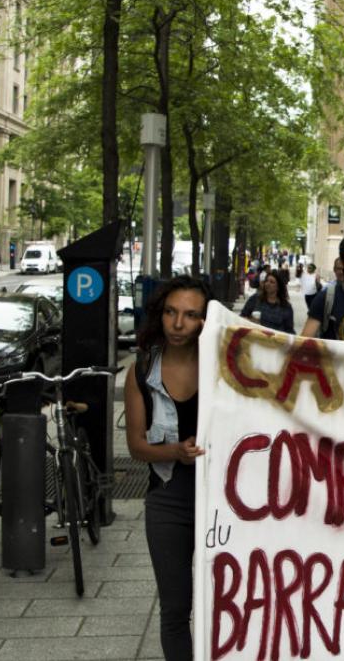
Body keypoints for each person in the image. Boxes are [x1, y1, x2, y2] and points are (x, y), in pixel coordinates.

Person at [124, 276, 210, 660]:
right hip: (169, 500)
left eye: (191, 315)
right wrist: (174, 451)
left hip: (223, 502)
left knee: (223, 604)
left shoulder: (225, 367)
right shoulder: (142, 370)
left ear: (206, 321)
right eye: (172, 313)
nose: (179, 324)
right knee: (176, 607)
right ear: (159, 315)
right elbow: (137, 446)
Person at [240, 269, 295, 333]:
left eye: (272, 282)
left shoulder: (286, 307)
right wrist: (250, 321)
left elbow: (289, 330)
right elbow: (242, 316)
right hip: (256, 338)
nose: (267, 284)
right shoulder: (255, 299)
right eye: (266, 281)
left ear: (278, 287)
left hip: (275, 341)